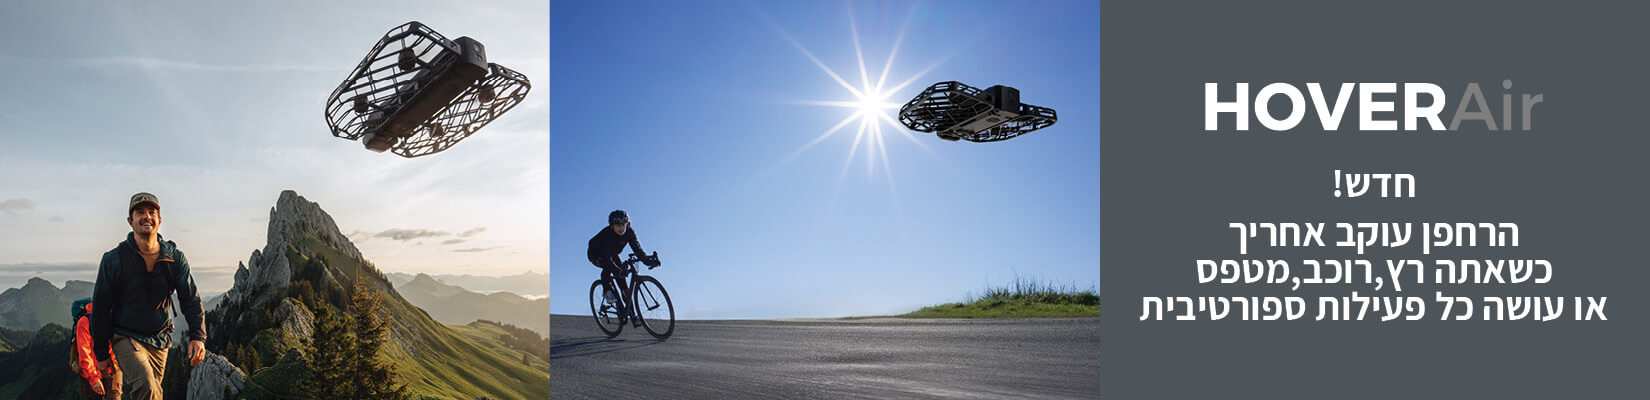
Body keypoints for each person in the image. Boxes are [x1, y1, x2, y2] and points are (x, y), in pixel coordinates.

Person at [91, 192, 207, 400]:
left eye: (152, 212)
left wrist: (198, 336)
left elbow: (190, 299)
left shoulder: (174, 258)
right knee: (146, 385)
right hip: (125, 335)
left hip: (159, 340)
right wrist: (101, 354)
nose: (147, 216)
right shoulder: (113, 259)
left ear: (159, 220)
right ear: (130, 221)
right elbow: (100, 308)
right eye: (140, 212)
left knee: (153, 392)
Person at [587, 210, 657, 325]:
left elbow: (638, 249)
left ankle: (633, 315)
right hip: (596, 253)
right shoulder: (607, 234)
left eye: (623, 224)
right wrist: (618, 270)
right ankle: (607, 290)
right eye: (617, 225)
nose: (621, 228)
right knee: (609, 267)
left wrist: (647, 261)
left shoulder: (629, 232)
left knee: (624, 285)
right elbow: (607, 259)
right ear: (612, 226)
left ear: (627, 224)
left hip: (612, 253)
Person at [71, 298, 121, 400]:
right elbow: (84, 354)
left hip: (112, 370)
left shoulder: (115, 316)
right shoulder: (84, 322)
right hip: (91, 372)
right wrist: (93, 379)